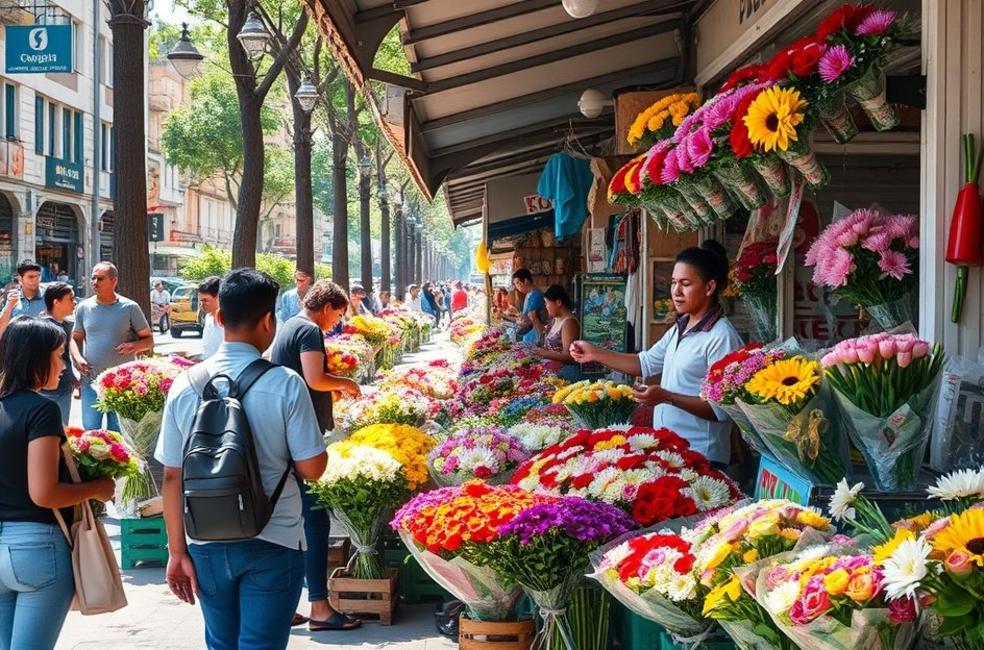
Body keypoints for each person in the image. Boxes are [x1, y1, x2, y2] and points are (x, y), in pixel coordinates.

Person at [155, 269, 329, 650]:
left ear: (218, 318)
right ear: (270, 320)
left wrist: (175, 552)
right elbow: (312, 469)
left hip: (204, 540)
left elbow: (171, 476)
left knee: (221, 643)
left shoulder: (185, 384)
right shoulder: (285, 383)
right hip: (275, 537)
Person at [569, 241, 743, 469]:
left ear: (709, 288)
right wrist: (594, 353)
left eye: (685, 284)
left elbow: (720, 409)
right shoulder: (680, 328)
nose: (676, 292)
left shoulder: (722, 337)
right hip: (672, 450)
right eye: (673, 283)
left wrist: (667, 397)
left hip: (702, 456)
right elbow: (646, 363)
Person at [0, 317, 116, 650]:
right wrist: (97, 488)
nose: (64, 366)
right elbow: (44, 493)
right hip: (36, 549)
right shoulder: (41, 411)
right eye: (59, 356)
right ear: (35, 358)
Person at [270, 280, 361, 632]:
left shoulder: (290, 325)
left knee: (292, 521)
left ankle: (286, 603)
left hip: (286, 433)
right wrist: (345, 384)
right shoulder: (308, 330)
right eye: (337, 314)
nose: (335, 322)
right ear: (325, 307)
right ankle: (320, 608)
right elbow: (314, 378)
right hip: (299, 437)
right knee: (315, 518)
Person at [72, 262, 154, 431]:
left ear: (113, 280)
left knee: (118, 432)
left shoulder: (130, 307)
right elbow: (75, 339)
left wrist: (133, 345)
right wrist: (77, 358)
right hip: (91, 379)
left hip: (121, 382)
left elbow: (149, 341)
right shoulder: (84, 307)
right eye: (93, 278)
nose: (95, 282)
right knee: (91, 431)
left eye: (100, 278)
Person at [40, 282, 78, 426]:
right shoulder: (44, 328)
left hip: (63, 388)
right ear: (56, 302)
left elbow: (64, 356)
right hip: (47, 391)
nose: (74, 303)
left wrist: (72, 376)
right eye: (71, 299)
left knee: (62, 434)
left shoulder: (66, 325)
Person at [530, 285, 582, 382]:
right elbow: (545, 334)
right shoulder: (555, 319)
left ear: (558, 302)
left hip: (565, 374)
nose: (546, 306)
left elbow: (570, 356)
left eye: (547, 303)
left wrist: (543, 353)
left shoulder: (569, 323)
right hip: (553, 369)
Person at [0, 260, 46, 335]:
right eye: (30, 277)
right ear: (20, 279)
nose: (35, 280)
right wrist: (9, 306)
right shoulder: (13, 298)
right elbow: (2, 327)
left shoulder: (49, 297)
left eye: (38, 276)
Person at [509, 269, 546, 345]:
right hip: (531, 331)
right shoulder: (528, 294)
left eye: (518, 283)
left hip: (538, 333)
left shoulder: (537, 295)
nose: (517, 287)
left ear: (526, 280)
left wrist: (519, 321)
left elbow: (527, 321)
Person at [198, 276, 222, 361]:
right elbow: (208, 354)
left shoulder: (231, 323)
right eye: (201, 300)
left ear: (219, 297)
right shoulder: (208, 318)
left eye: (205, 300)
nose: (202, 304)